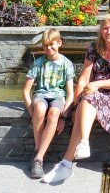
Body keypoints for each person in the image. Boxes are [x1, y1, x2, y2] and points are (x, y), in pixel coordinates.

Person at [41, 14, 110, 184]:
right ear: (101, 30)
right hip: (93, 94)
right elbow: (83, 79)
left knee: (89, 97)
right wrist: (74, 104)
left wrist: (96, 85)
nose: (109, 31)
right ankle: (79, 148)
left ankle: (68, 163)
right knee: (84, 103)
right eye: (105, 28)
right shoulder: (94, 48)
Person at [22, 29, 75, 179]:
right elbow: (26, 91)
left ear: (59, 43)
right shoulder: (38, 63)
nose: (48, 49)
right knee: (39, 108)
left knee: (53, 113)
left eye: (51, 45)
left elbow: (70, 93)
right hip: (41, 95)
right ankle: (39, 155)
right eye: (45, 46)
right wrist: (33, 114)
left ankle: (37, 157)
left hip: (58, 96)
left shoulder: (67, 64)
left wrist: (64, 117)